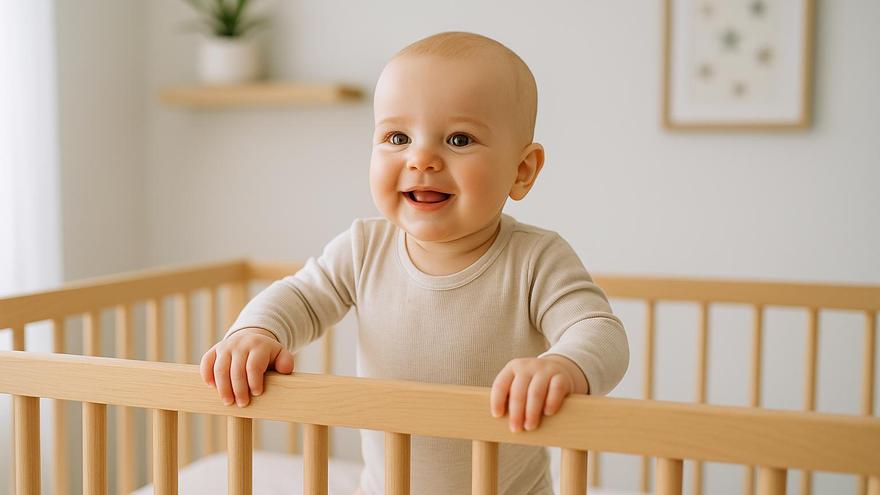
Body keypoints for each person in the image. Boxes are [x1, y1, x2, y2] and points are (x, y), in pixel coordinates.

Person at [200, 31, 629, 495]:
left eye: (459, 139)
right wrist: (257, 331)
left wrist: (564, 364)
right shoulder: (364, 248)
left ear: (522, 171)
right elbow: (302, 296)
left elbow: (599, 330)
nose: (421, 158)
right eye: (397, 137)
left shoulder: (535, 260)